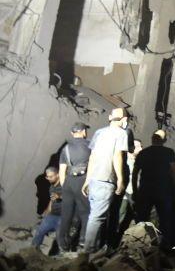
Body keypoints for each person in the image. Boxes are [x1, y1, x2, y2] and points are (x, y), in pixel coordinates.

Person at [83, 108, 130, 253]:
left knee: (96, 215)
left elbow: (92, 157)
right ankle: (88, 251)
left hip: (94, 180)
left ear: (110, 117)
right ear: (124, 120)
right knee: (97, 217)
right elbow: (117, 156)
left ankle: (95, 248)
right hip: (106, 180)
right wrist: (121, 179)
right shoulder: (122, 133)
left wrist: (87, 180)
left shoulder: (99, 132)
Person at [132, 130, 175, 250]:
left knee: (142, 219)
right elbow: (173, 172)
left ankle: (138, 243)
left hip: (145, 190)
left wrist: (135, 191)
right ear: (164, 140)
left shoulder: (143, 153)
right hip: (163, 191)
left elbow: (135, 173)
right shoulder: (169, 152)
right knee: (164, 220)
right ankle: (164, 246)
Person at [57, 122, 91, 252]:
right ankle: (83, 240)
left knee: (66, 214)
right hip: (82, 181)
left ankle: (62, 241)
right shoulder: (90, 145)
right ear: (83, 132)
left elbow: (62, 170)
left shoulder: (66, 148)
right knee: (85, 212)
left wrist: (65, 186)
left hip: (68, 181)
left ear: (72, 133)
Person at [32, 167, 62, 250]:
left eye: (51, 176)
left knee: (60, 237)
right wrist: (47, 211)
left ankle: (63, 253)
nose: (49, 179)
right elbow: (52, 201)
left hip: (63, 215)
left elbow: (72, 197)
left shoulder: (65, 185)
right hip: (53, 215)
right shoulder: (52, 187)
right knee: (39, 231)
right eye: (47, 177)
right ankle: (33, 250)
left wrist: (60, 196)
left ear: (58, 175)